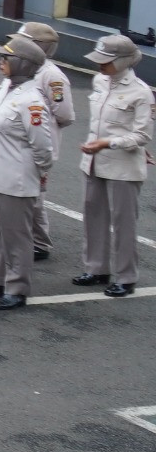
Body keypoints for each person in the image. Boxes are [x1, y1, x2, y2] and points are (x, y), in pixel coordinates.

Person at [0, 35, 60, 309]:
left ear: (21, 64)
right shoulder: (8, 88)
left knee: (17, 235)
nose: (0, 62)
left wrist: (40, 173)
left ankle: (17, 287)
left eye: (6, 58)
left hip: (16, 179)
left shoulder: (32, 101)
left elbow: (43, 146)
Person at [76, 33, 150, 296]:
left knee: (123, 222)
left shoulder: (140, 93)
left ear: (124, 61)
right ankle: (96, 268)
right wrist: (97, 146)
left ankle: (126, 276)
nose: (100, 66)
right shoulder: (100, 81)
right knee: (93, 216)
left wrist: (108, 143)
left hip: (123, 165)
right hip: (94, 161)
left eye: (106, 61)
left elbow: (142, 135)